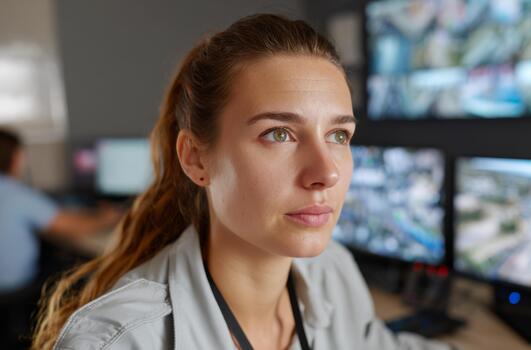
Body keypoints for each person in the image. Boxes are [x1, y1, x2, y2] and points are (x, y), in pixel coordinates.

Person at [32, 14, 454, 350]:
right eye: (278, 134)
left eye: (338, 135)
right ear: (196, 159)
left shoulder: (332, 270)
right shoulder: (119, 342)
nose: (326, 173)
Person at [0, 128, 121, 348]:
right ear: (16, 158)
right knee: (74, 270)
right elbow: (74, 227)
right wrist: (108, 217)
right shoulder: (16, 194)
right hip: (15, 292)